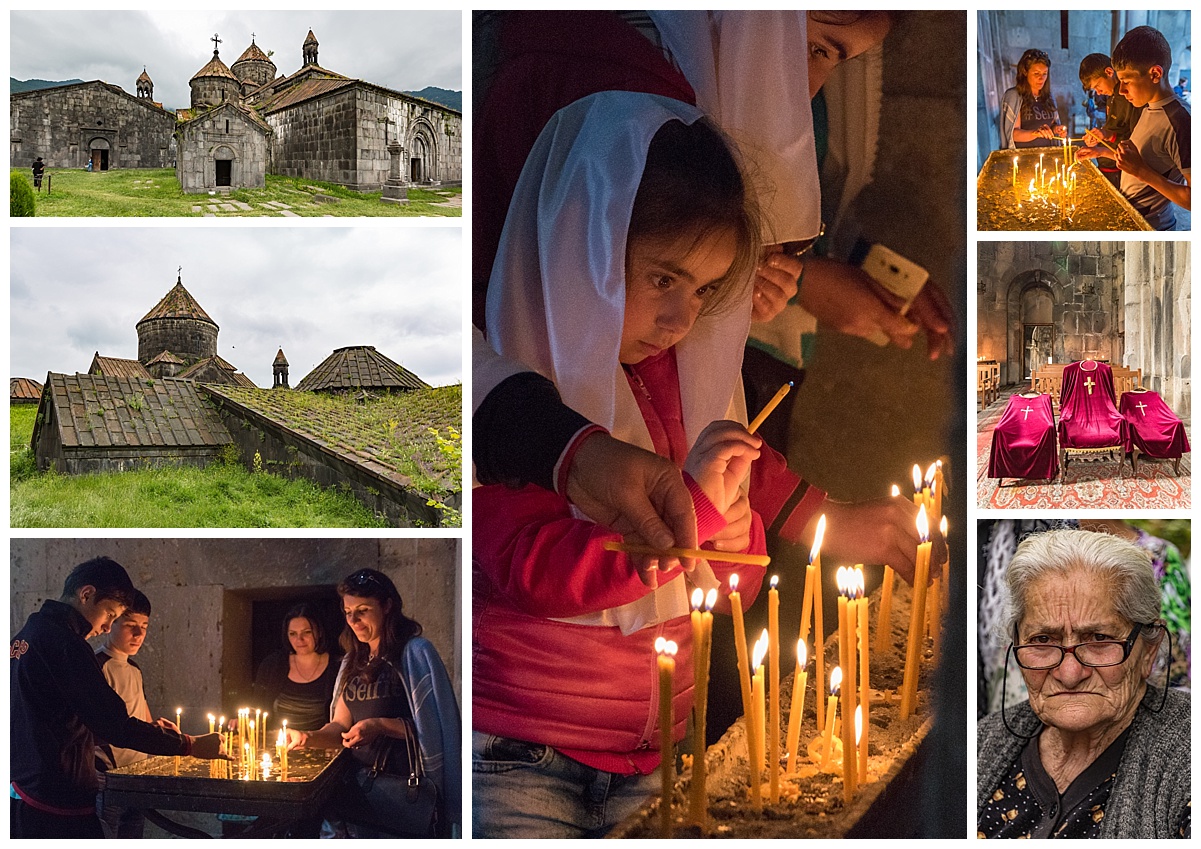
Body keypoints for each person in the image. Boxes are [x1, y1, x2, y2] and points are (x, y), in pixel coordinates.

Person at [472, 12, 953, 563]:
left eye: (710, 289)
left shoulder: (661, 347)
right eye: (818, 47)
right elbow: (552, 559)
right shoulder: (622, 105)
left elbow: (711, 443)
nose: (810, 91)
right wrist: (693, 519)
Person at [976, 530, 1190, 839]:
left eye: (1099, 639)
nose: (1070, 673)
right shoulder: (982, 743)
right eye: (1043, 640)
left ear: (1149, 651)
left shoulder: (1187, 749)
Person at [10, 557, 226, 838]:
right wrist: (189, 743)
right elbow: (115, 725)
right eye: (110, 614)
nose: (107, 626)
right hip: (56, 801)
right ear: (86, 594)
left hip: (27, 790)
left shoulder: (26, 636)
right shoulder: (66, 645)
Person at [286, 569, 460, 838]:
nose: (353, 620)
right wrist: (308, 737)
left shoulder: (415, 653)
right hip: (359, 794)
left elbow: (438, 730)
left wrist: (380, 725)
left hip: (405, 794)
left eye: (363, 610)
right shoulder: (351, 662)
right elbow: (340, 726)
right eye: (347, 612)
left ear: (388, 606)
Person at [1108, 26, 1190, 231]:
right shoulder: (1149, 107)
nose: (1121, 90)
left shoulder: (1181, 120)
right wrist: (1104, 152)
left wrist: (1142, 172)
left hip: (1152, 227)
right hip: (1132, 219)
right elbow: (1146, 162)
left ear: (1155, 74)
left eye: (1126, 81)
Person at [94, 590, 156, 839]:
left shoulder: (134, 668)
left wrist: (160, 732)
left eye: (144, 626)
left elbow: (143, 715)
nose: (139, 634)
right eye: (131, 625)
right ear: (111, 623)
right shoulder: (97, 665)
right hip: (111, 776)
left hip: (138, 773)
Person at [252, 603, 339, 732]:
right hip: (279, 746)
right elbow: (257, 707)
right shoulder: (273, 665)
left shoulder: (337, 667)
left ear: (319, 632)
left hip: (321, 746)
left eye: (307, 632)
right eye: (293, 634)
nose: (299, 639)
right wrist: (245, 720)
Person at [1075, 53, 1144, 188]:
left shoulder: (1129, 97)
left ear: (1109, 72)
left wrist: (1107, 137)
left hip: (1120, 167)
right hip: (1108, 162)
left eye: (1098, 86)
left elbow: (1134, 139)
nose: (1098, 92)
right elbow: (1115, 128)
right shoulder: (1112, 96)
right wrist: (1101, 135)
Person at [1000, 49, 1067, 149]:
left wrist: (1057, 129)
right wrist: (1035, 133)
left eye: (1045, 74)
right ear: (1025, 72)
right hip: (1024, 157)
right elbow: (1013, 134)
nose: (1041, 78)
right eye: (1036, 73)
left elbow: (1052, 124)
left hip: (1047, 155)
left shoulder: (1048, 96)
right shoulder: (1014, 96)